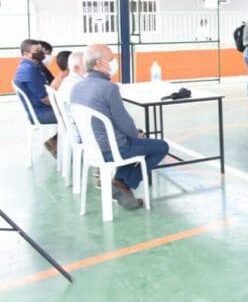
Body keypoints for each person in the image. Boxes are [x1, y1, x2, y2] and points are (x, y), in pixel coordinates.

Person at [70, 44, 169, 211]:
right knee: (160, 146)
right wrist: (136, 134)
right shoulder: (109, 88)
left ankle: (121, 182)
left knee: (131, 141)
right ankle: (125, 182)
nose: (114, 63)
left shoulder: (76, 87)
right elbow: (125, 123)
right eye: (111, 59)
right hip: (112, 149)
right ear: (100, 63)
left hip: (92, 148)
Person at [13, 39, 57, 157]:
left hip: (40, 109)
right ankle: (55, 142)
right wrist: (63, 106)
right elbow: (44, 98)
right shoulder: (29, 70)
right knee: (74, 115)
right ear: (26, 53)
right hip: (40, 112)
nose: (41, 53)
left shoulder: (30, 66)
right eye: (37, 51)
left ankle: (55, 141)